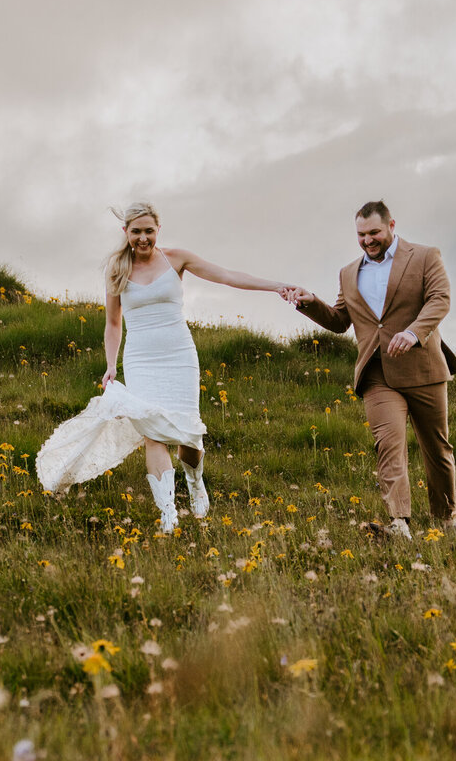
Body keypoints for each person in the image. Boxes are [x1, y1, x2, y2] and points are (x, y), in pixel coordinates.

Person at [36, 202, 290, 530]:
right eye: (136, 231)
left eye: (149, 231)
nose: (143, 238)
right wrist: (111, 365)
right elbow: (113, 324)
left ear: (158, 230)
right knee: (153, 435)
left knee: (189, 438)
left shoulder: (177, 258)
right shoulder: (116, 269)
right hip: (141, 359)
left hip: (179, 356)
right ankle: (168, 514)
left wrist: (276, 286)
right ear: (125, 232)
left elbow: (226, 276)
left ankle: (194, 479)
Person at [284, 201, 456, 540]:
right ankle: (400, 524)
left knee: (437, 450)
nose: (368, 240)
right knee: (388, 445)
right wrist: (310, 303)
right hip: (377, 373)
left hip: (424, 368)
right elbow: (338, 321)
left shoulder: (425, 256)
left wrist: (412, 333)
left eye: (374, 232)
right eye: (361, 235)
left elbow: (440, 299)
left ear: (392, 225)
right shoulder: (349, 273)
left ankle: (446, 519)